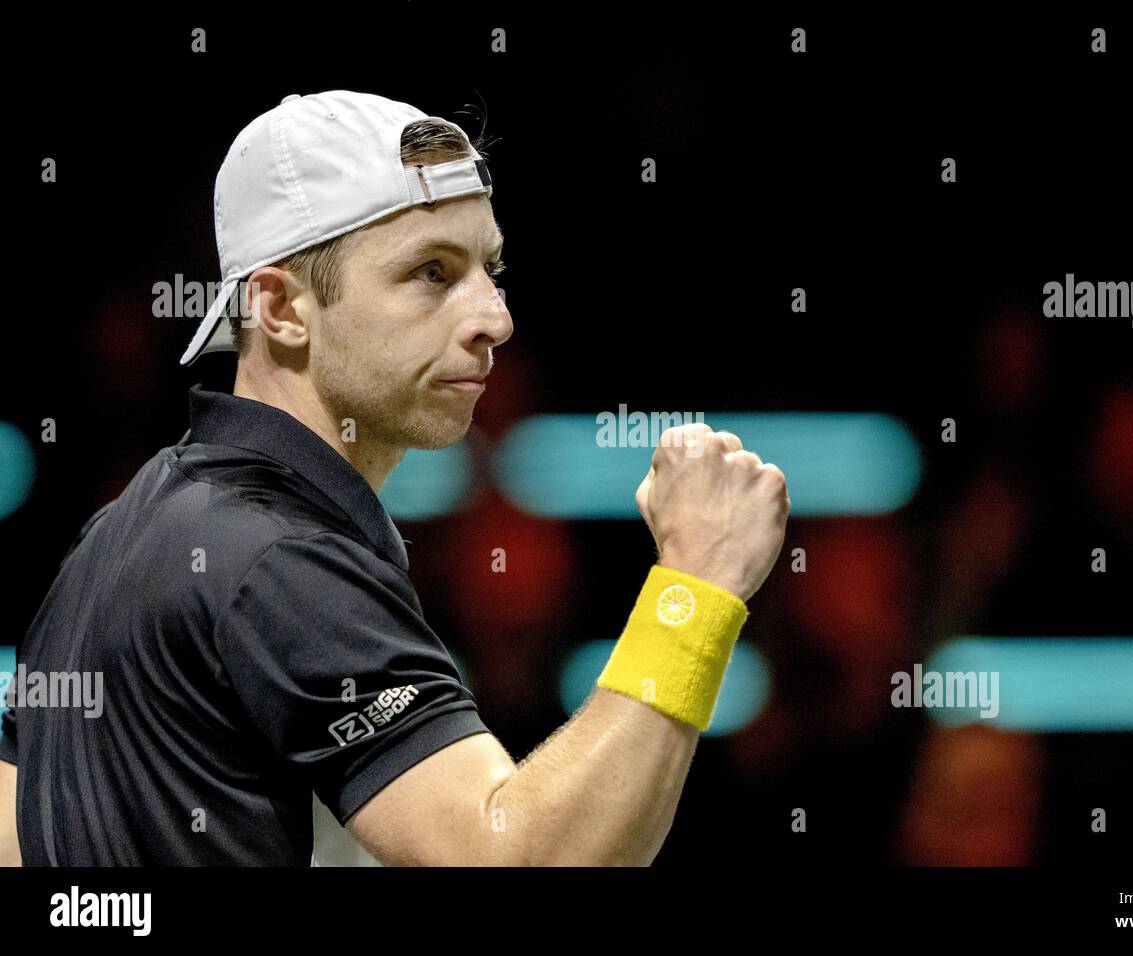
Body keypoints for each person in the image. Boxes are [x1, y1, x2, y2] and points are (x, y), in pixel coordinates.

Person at [0, 90, 789, 865]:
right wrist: (700, 581)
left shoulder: (121, 533)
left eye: (490, 267)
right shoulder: (279, 563)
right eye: (431, 273)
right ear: (279, 309)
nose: (496, 317)